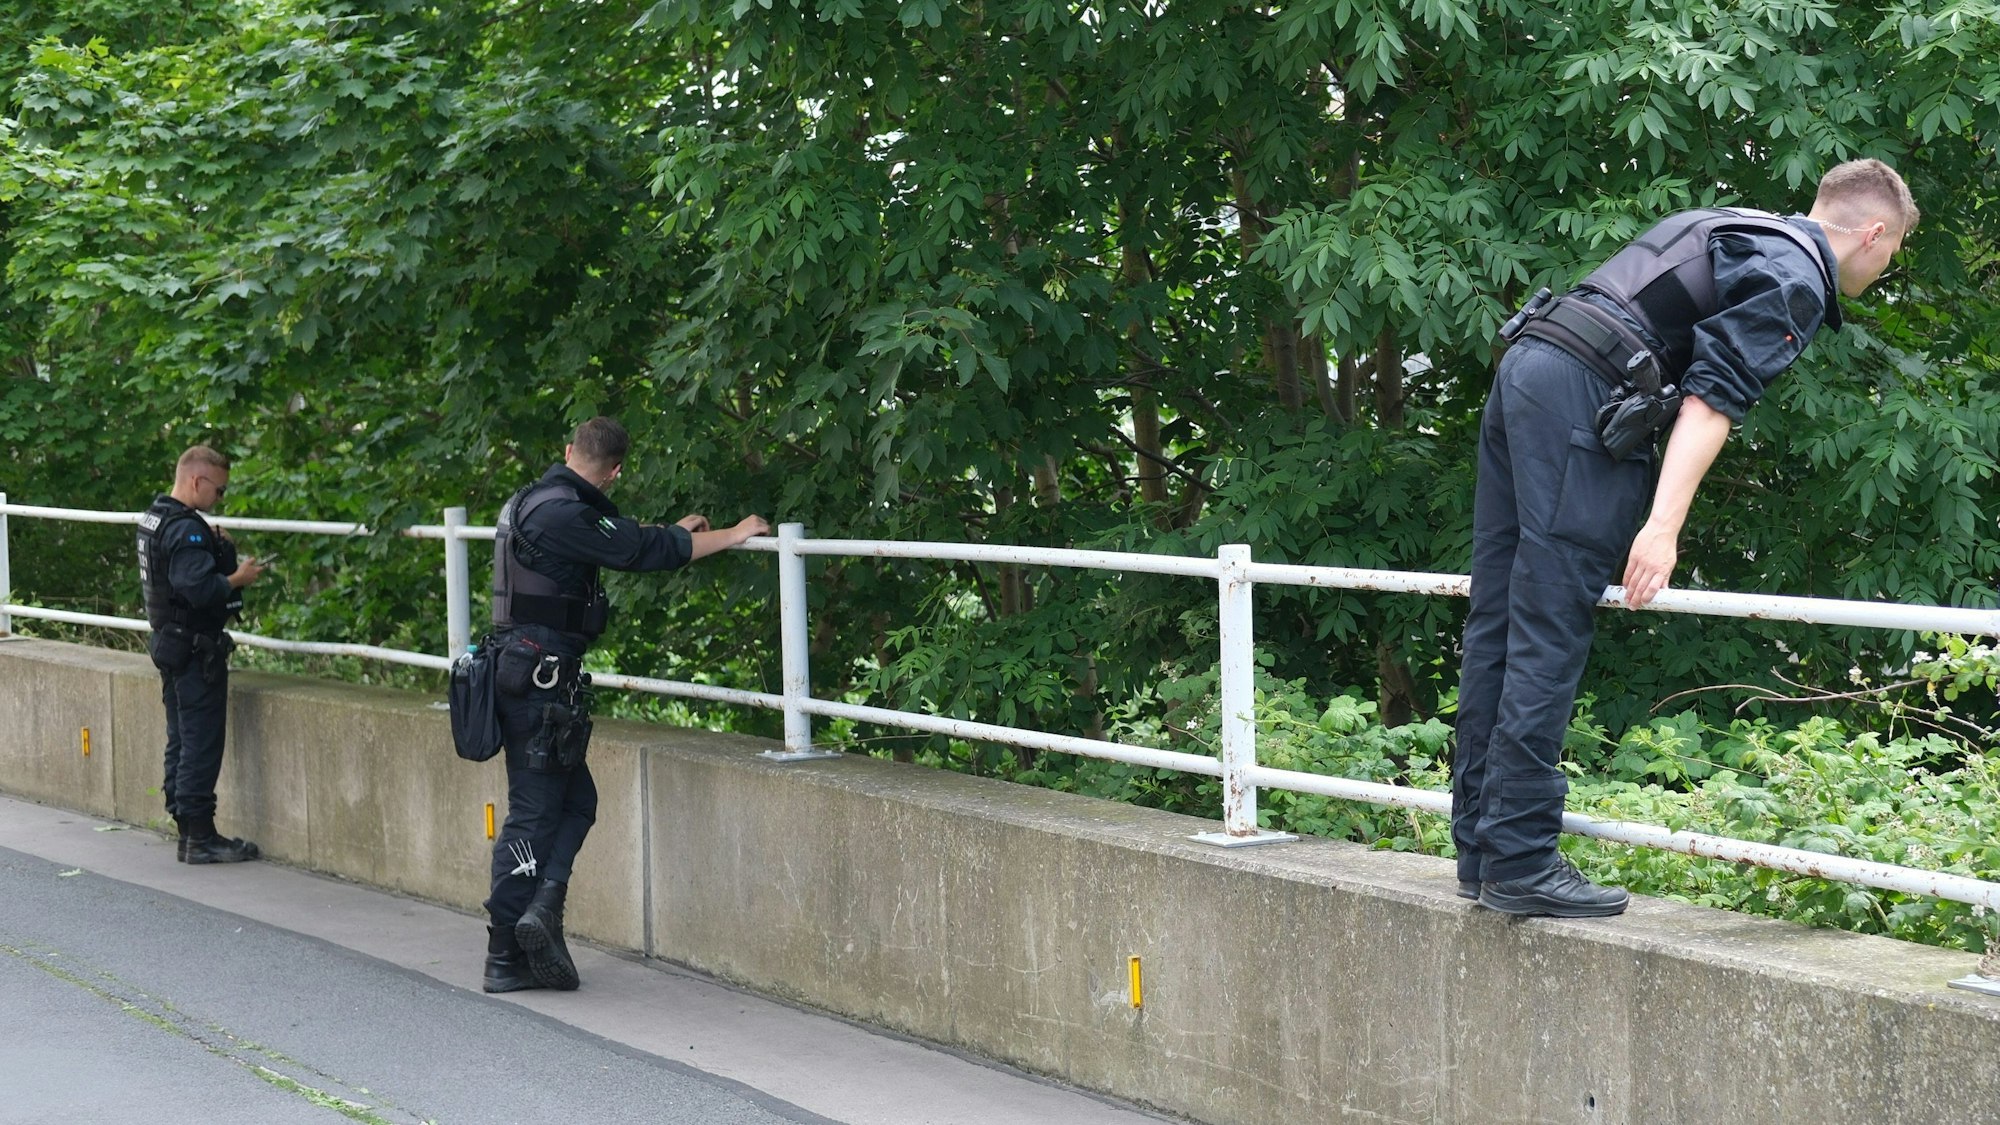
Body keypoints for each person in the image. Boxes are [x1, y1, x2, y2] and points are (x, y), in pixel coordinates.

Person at [1453, 159, 1918, 917]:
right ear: (1872, 233)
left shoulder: (1733, 226)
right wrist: (1662, 528)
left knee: (1501, 616)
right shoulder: (1796, 274)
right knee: (1548, 622)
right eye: (1892, 250)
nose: (1886, 264)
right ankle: (1520, 856)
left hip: (1528, 366)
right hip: (1580, 391)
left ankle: (1483, 850)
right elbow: (1711, 399)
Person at [480, 417, 770, 993]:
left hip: (526, 673)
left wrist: (667, 529)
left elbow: (615, 533)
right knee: (534, 814)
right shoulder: (564, 513)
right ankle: (505, 955)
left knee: (576, 800)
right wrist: (735, 533)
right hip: (538, 680)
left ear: (568, 451)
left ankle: (543, 911)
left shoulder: (533, 502)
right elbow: (641, 549)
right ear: (616, 471)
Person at [137, 445, 268, 864]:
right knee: (200, 742)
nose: (220, 499)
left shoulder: (155, 518)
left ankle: (185, 829)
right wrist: (237, 577)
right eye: (219, 490)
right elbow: (199, 589)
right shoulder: (186, 531)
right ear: (197, 481)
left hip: (169, 642)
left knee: (180, 738)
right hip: (196, 649)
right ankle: (201, 837)